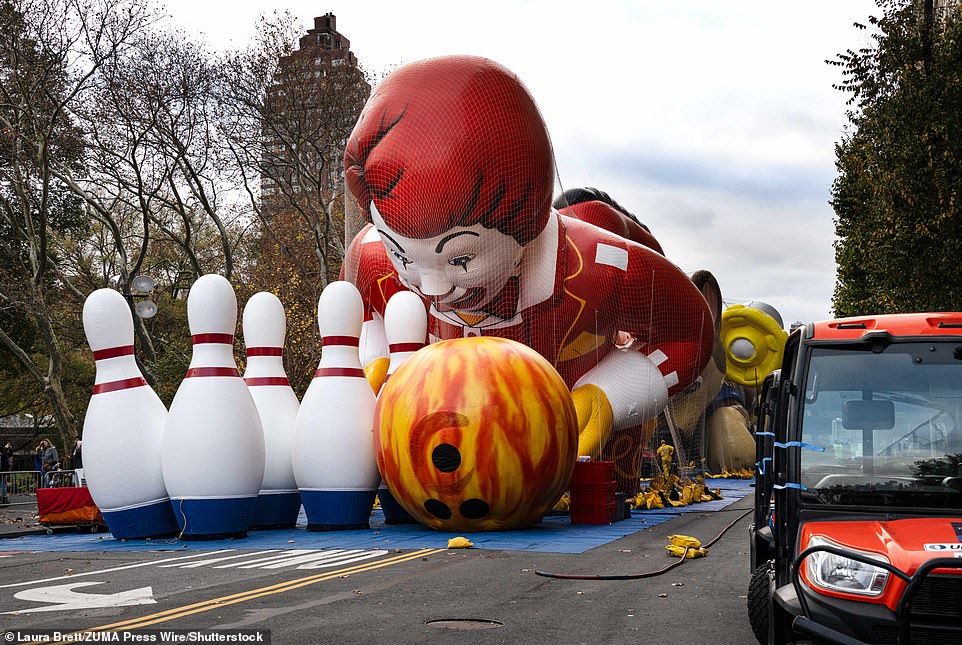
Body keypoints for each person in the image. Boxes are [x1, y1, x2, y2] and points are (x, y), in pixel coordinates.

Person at [343, 55, 714, 466]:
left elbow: (692, 330)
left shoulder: (597, 268)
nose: (431, 289)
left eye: (461, 259)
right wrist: (379, 360)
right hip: (446, 465)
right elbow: (362, 316)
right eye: (403, 257)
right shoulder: (371, 258)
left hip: (583, 461)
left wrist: (608, 395)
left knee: (601, 487)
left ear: (527, 219)